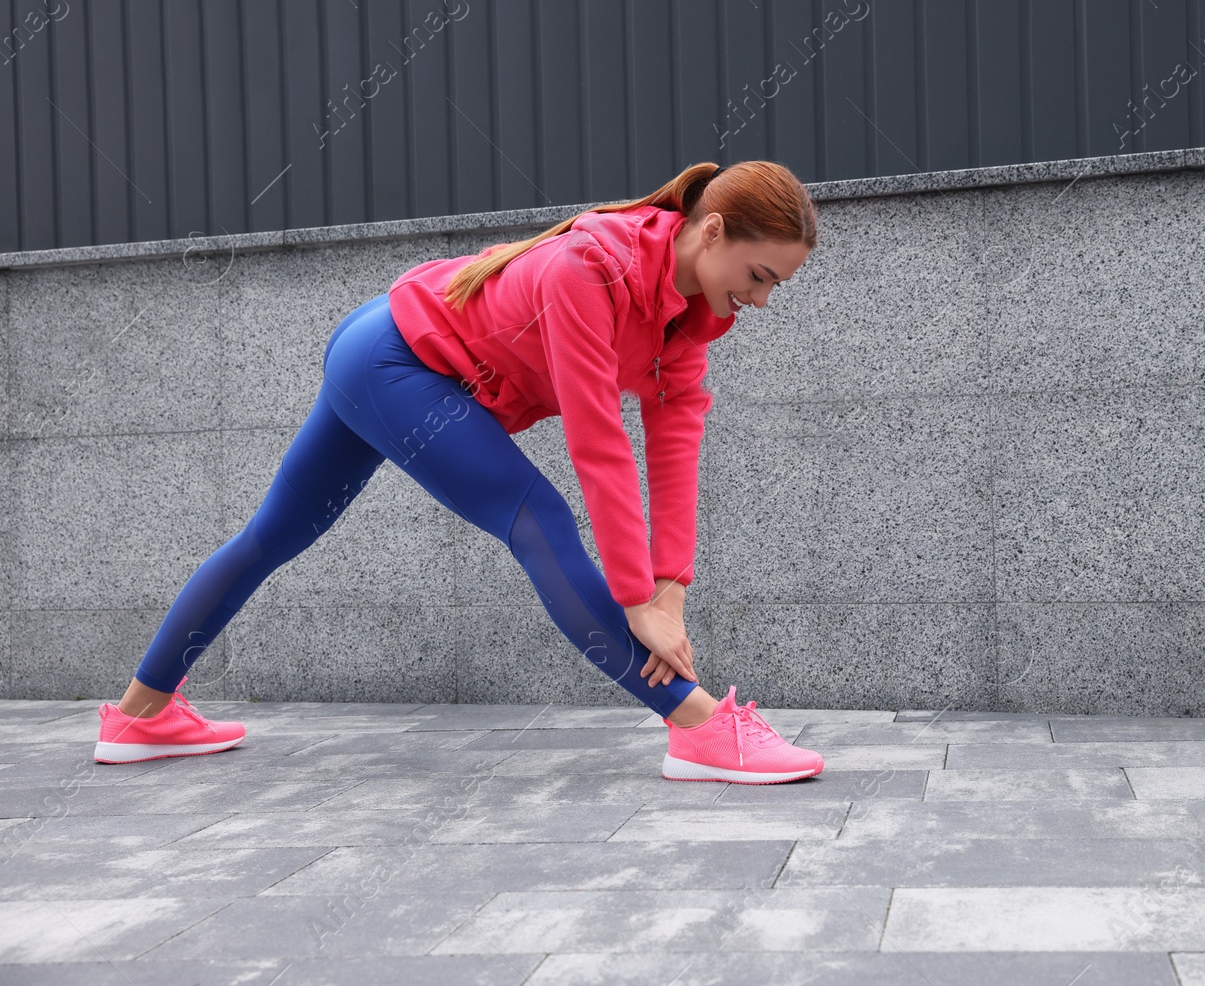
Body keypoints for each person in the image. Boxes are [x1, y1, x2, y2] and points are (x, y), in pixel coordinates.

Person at [93, 159, 826, 785]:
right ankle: (699, 726)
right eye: (759, 276)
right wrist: (636, 599)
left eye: (774, 288)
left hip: (389, 350)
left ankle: (135, 718)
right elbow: (599, 444)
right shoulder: (589, 270)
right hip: (395, 360)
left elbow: (674, 451)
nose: (760, 300)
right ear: (713, 231)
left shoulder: (688, 322)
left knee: (270, 537)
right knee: (537, 517)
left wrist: (671, 589)